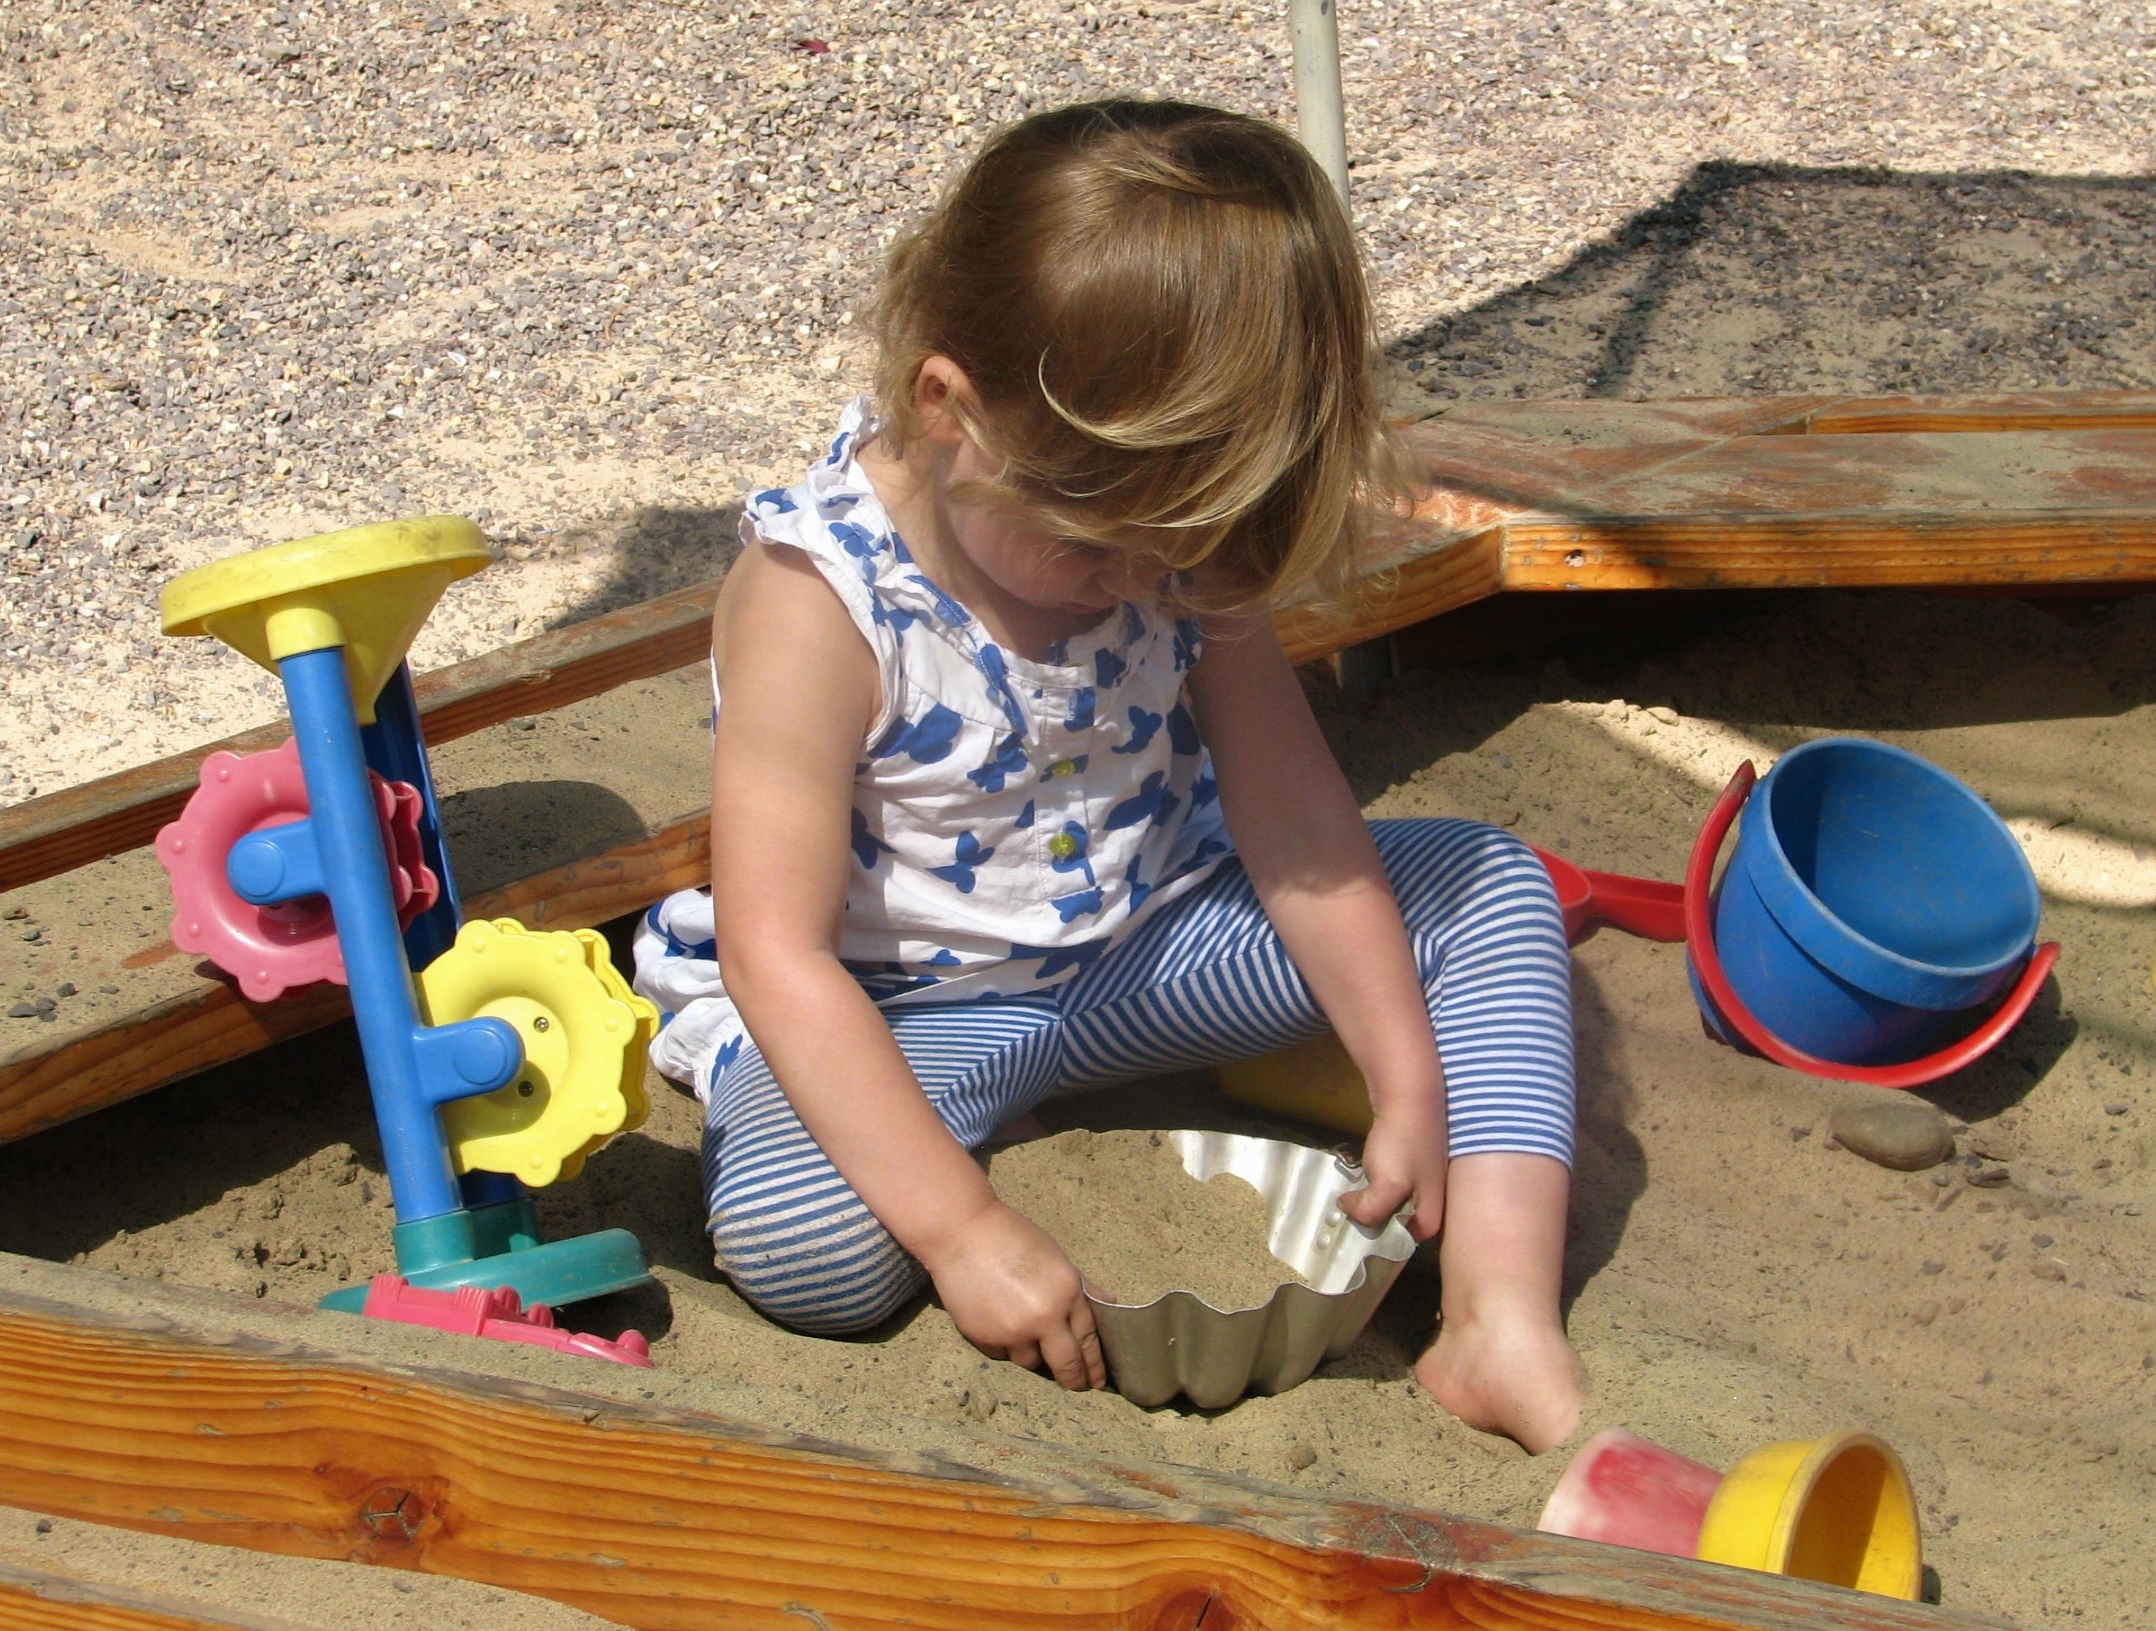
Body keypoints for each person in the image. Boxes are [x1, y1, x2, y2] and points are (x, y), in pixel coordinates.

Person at [635, 99, 1584, 1452]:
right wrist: (962, 1231)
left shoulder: (1168, 535)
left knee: (1489, 885)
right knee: (808, 1253)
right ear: (950, 410)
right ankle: (1003, 1134)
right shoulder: (821, 601)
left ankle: (1495, 1315)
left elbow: (1297, 820)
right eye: (1100, 550)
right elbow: (773, 955)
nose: (1146, 583)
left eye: (1183, 551)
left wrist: (1405, 1070)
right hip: (908, 1010)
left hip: (1147, 948)